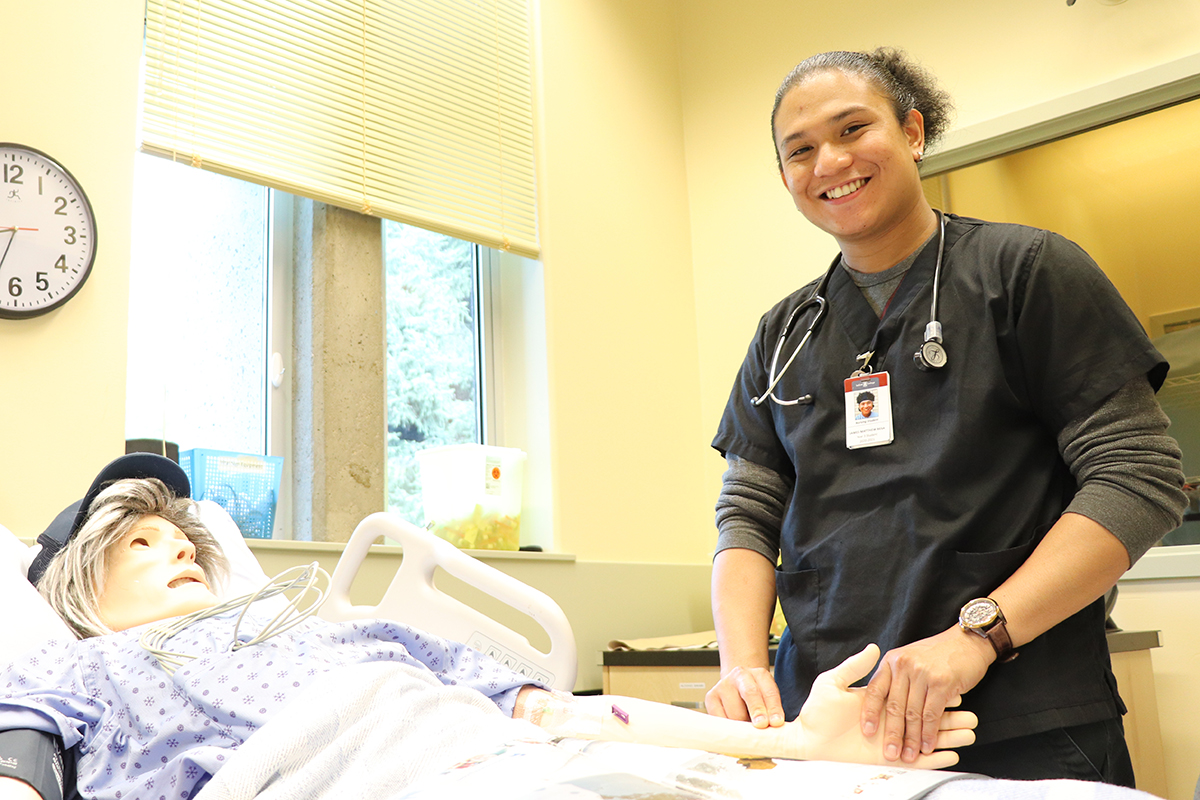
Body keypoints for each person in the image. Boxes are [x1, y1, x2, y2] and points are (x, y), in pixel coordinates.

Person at [706, 47, 1187, 785]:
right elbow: (747, 511)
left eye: (851, 129)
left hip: (1012, 716)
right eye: (799, 151)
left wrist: (979, 635)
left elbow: (1140, 476)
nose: (828, 162)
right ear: (785, 179)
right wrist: (741, 667)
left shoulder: (1026, 274)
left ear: (914, 131)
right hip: (831, 723)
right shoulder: (784, 334)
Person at [0, 455, 976, 800]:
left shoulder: (350, 633)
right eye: (139, 540)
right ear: (79, 583)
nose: (177, 544)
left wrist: (791, 740)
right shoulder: (88, 674)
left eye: (183, 533)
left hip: (536, 765)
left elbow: (559, 714)